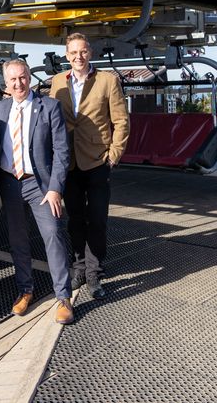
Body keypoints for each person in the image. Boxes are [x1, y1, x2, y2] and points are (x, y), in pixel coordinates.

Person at [50, 33, 130, 298]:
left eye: (82, 51)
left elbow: (121, 121)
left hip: (97, 160)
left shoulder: (108, 81)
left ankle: (95, 274)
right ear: (66, 55)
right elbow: (53, 122)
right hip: (68, 161)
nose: (78, 57)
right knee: (74, 219)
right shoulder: (57, 82)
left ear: (90, 53)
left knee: (96, 220)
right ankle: (80, 268)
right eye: (73, 52)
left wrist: (114, 154)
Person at [0, 60, 74, 325]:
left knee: (52, 235)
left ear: (30, 77)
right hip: (10, 182)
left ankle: (63, 296)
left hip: (40, 185)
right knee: (18, 239)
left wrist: (55, 189)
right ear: (6, 83)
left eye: (23, 77)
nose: (18, 84)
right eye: (13, 79)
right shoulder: (1, 108)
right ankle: (25, 290)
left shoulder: (49, 106)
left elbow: (62, 151)